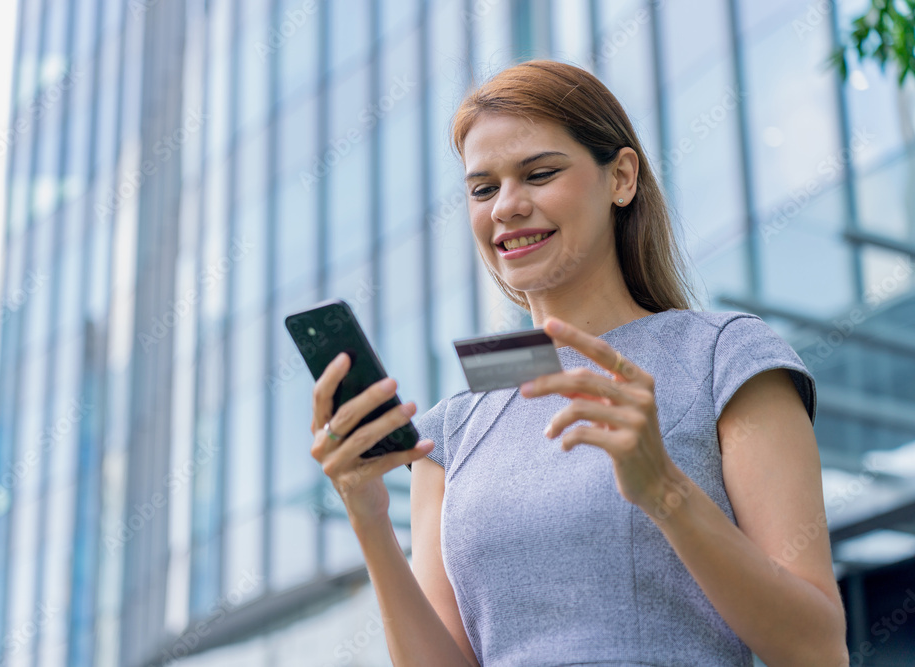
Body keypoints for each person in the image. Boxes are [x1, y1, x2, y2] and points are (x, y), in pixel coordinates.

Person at [308, 59, 848, 666]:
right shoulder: (449, 432)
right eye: (483, 188)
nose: (506, 207)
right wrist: (370, 521)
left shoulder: (725, 356)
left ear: (621, 178)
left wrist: (664, 490)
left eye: (538, 174)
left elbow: (817, 650)